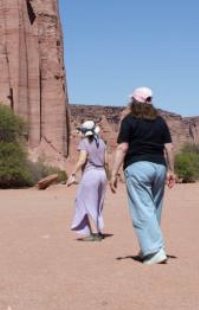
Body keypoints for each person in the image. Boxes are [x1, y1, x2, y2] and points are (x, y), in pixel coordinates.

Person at [109, 87, 175, 264]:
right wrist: (171, 170)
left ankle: (155, 251)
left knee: (142, 209)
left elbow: (123, 147)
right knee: (154, 209)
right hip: (159, 167)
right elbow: (169, 147)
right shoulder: (160, 121)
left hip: (138, 166)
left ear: (134, 102)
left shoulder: (129, 120)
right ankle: (148, 247)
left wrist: (113, 173)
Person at [67, 120, 109, 241]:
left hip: (91, 175)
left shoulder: (84, 142)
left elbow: (81, 160)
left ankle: (95, 234)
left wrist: (73, 174)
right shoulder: (101, 142)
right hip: (102, 174)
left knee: (86, 202)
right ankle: (98, 231)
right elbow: (106, 161)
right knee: (97, 204)